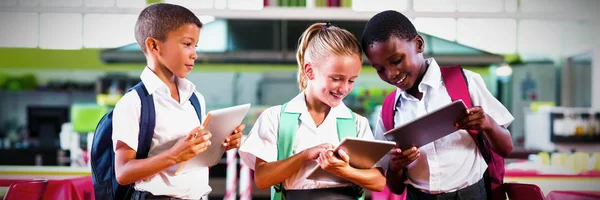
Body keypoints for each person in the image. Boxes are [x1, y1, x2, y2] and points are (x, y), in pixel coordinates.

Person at [361, 10, 514, 200]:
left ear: (418, 44)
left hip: (471, 195)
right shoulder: (389, 109)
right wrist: (396, 167)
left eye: (397, 60)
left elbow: (506, 148)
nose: (391, 73)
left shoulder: (465, 82)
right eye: (380, 69)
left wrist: (488, 123)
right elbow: (395, 187)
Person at [111, 3, 245, 200]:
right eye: (187, 44)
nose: (194, 54)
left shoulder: (195, 99)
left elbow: (194, 162)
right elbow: (123, 173)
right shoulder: (133, 103)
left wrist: (219, 143)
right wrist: (174, 154)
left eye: (195, 46)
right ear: (154, 45)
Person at [238, 22, 385, 200]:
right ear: (309, 71)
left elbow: (378, 182)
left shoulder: (357, 123)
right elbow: (262, 179)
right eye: (336, 78)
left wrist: (343, 170)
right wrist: (305, 156)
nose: (344, 88)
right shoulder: (275, 118)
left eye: (351, 80)